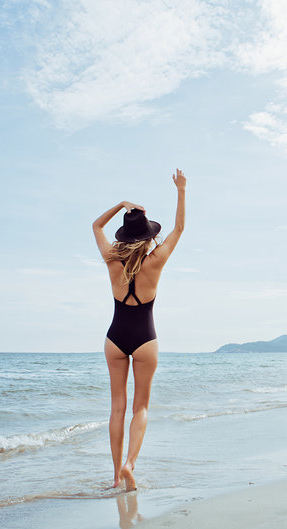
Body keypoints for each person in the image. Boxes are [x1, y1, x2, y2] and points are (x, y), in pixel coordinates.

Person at [92, 169, 186, 491]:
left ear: (124, 237)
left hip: (115, 339)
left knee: (117, 408)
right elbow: (179, 228)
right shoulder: (156, 260)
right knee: (140, 407)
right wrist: (181, 190)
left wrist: (121, 204)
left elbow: (95, 225)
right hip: (146, 340)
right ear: (147, 237)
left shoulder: (111, 260)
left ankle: (116, 475)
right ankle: (131, 465)